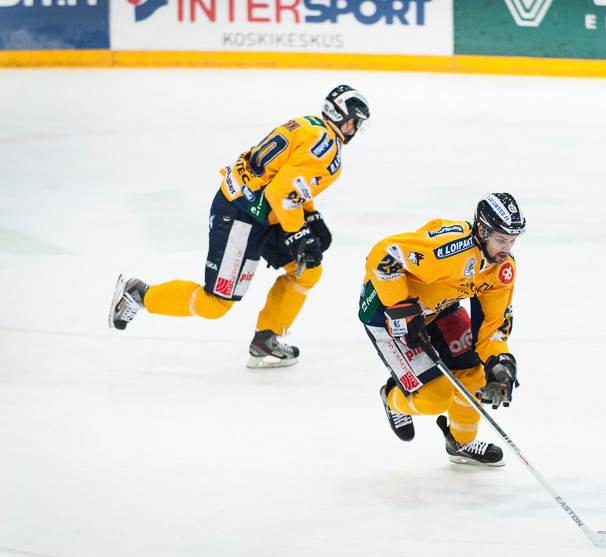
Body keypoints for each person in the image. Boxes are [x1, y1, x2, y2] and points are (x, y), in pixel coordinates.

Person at [108, 85, 371, 368]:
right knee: (214, 304)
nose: (355, 130)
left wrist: (311, 215)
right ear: (350, 120)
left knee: (306, 270)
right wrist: (299, 233)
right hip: (241, 215)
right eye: (358, 123)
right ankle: (140, 293)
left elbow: (289, 180)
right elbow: (282, 192)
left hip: (260, 209)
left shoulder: (308, 125)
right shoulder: (327, 147)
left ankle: (266, 338)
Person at [359, 193, 525, 467]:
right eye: (501, 239)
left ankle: (461, 444)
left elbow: (491, 325)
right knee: (436, 398)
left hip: (439, 305)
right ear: (482, 230)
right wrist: (402, 307)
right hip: (388, 311)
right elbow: (383, 255)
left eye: (512, 239)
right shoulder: (450, 251)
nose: (507, 248)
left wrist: (499, 360)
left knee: (475, 375)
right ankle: (392, 398)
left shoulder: (502, 269)